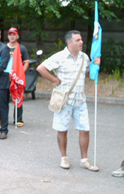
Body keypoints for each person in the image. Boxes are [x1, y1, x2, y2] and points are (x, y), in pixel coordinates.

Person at [37, 30, 100, 172]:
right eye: (78, 40)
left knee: (85, 129)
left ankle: (84, 160)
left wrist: (96, 64)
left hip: (80, 100)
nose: (81, 42)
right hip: (64, 100)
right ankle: (64, 157)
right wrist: (54, 79)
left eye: (81, 40)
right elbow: (41, 68)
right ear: (70, 42)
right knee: (62, 129)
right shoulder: (60, 57)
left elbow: (89, 74)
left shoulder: (84, 57)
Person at [7, 27, 29, 127]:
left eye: (14, 34)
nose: (12, 36)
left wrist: (20, 74)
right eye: (10, 34)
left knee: (18, 97)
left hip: (16, 78)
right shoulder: (3, 47)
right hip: (6, 77)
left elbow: (26, 62)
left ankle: (18, 119)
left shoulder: (22, 48)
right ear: (8, 36)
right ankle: (1, 118)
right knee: (3, 99)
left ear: (17, 36)